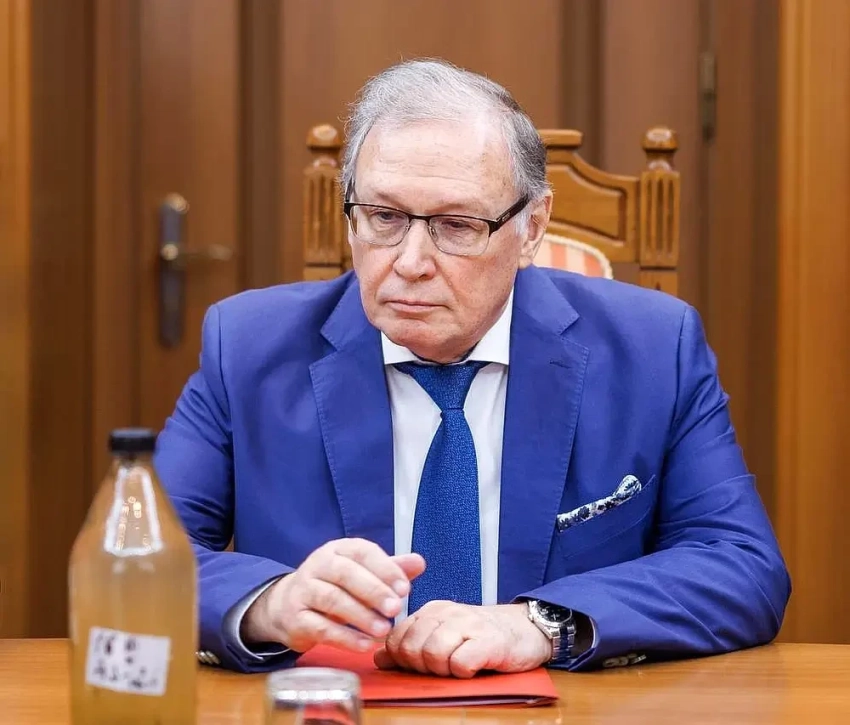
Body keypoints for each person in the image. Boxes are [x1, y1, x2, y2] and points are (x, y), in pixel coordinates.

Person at [155, 58, 790, 678]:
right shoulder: (247, 347)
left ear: (532, 227)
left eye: (456, 225)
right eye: (384, 217)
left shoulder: (653, 349)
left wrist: (539, 624)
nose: (410, 262)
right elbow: (140, 559)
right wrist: (271, 604)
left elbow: (742, 566)